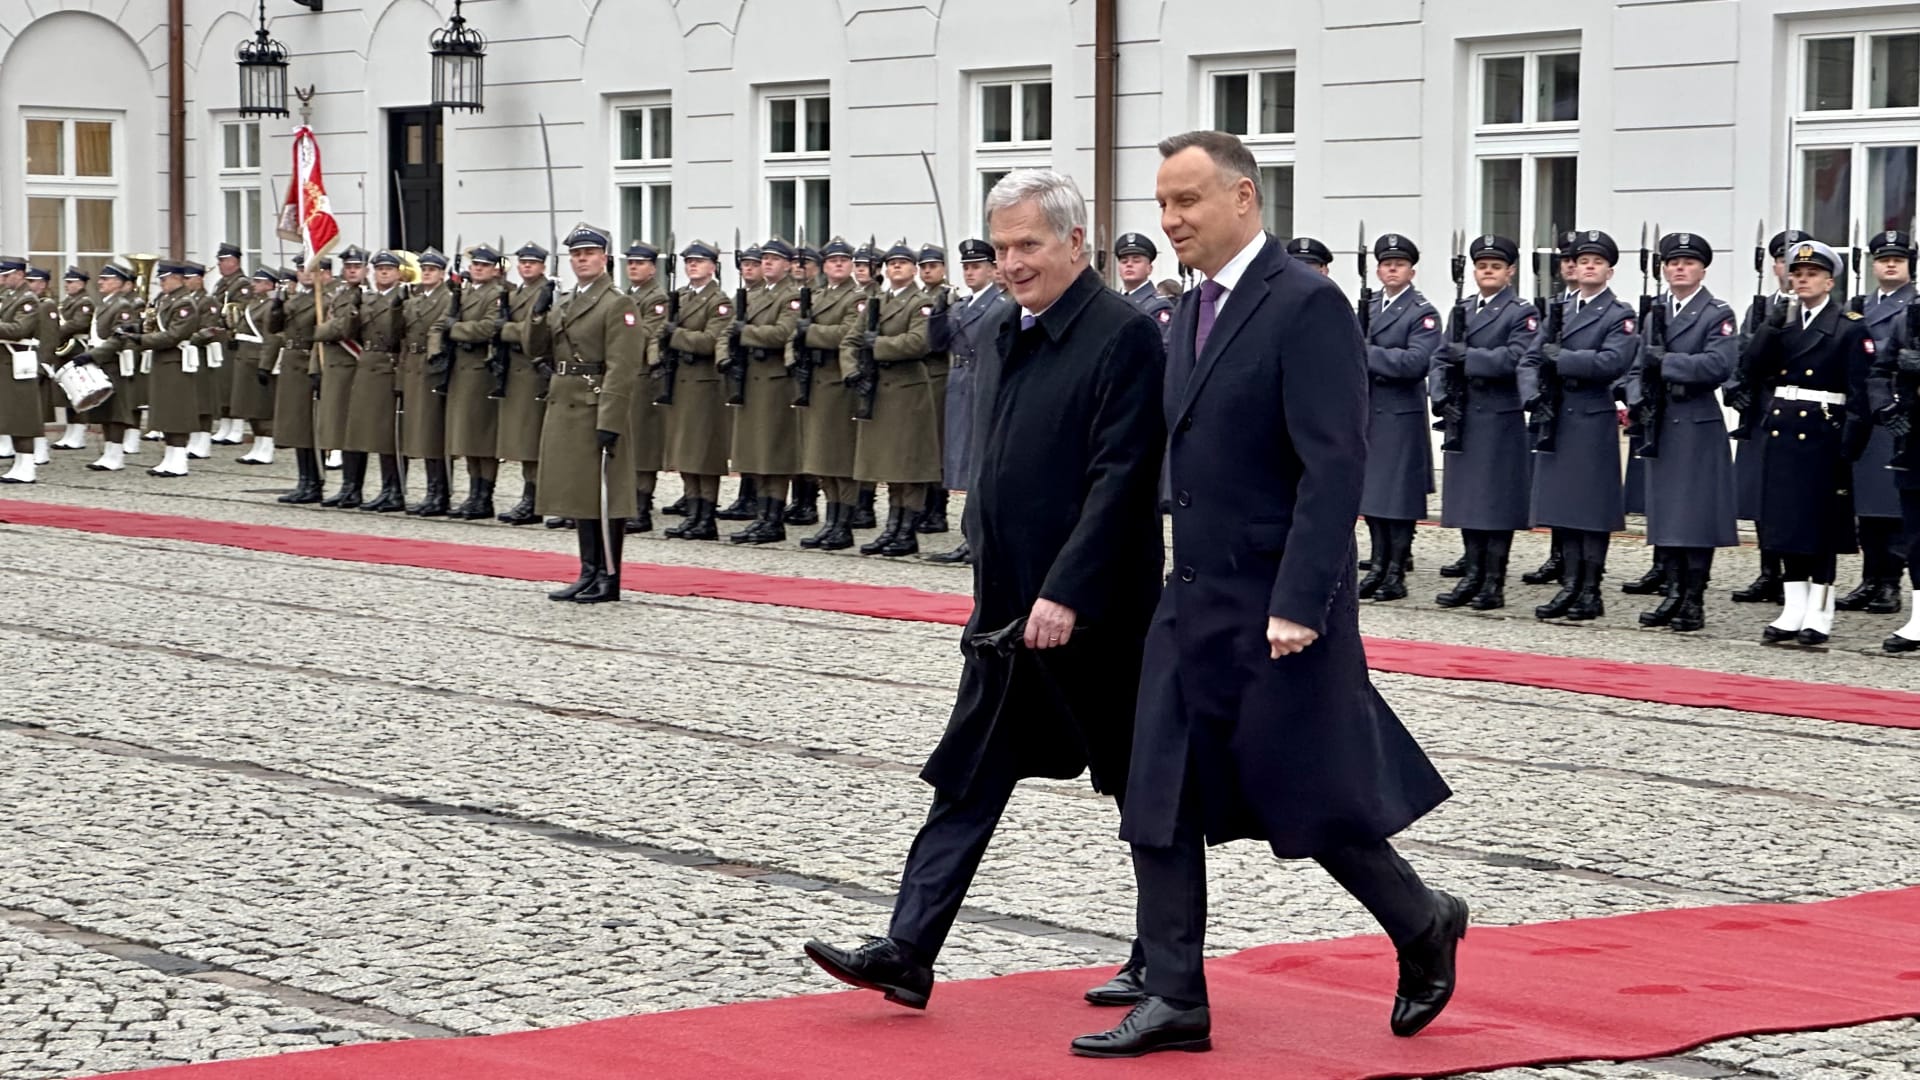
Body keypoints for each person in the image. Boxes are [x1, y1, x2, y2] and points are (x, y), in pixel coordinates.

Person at [1075, 131, 1461, 1060]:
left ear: (1244, 198)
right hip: (1192, 594)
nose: (1170, 222)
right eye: (1162, 205)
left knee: (1311, 794)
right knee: (1157, 791)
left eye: (1187, 203)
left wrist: (1301, 600)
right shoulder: (1188, 308)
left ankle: (1421, 922)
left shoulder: (1307, 304)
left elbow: (1336, 467)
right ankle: (1175, 995)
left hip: (1278, 602)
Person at [803, 167, 1165, 1016]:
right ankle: (909, 949)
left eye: (1028, 244)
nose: (1012, 263)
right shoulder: (1006, 324)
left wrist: (1069, 590)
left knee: (1141, 787)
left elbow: (1123, 479)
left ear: (1077, 242)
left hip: (1094, 615)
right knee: (968, 774)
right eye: (1001, 247)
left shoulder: (1124, 335)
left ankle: (1163, 957)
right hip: (1006, 611)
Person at [1744, 239, 1875, 646]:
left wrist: (1849, 448)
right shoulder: (1784, 323)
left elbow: (1861, 395)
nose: (1802, 280)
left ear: (1829, 280)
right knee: (1785, 525)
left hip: (1822, 432)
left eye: (1811, 274)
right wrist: (1771, 324)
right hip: (1784, 430)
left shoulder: (1849, 326)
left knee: (1819, 528)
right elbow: (1751, 366)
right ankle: (1792, 606)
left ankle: (1819, 611)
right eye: (1796, 274)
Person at [1519, 230, 1638, 621]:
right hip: (1557, 414)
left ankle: (1590, 589)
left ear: (1609, 270)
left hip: (1589, 415)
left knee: (1590, 509)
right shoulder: (1560, 310)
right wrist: (1532, 394)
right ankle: (1569, 585)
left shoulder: (1619, 315)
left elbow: (1611, 363)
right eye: (1583, 260)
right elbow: (1530, 360)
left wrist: (1564, 360)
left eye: (1597, 261)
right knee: (1564, 508)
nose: (1588, 266)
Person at [1623, 231, 1738, 632]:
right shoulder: (1656, 314)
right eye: (1673, 263)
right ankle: (1671, 591)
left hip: (1695, 421)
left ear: (1703, 268)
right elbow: (1636, 367)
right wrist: (1637, 397)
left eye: (1688, 263)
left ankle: (1693, 598)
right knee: (1666, 512)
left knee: (1696, 515)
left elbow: (1717, 366)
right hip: (1661, 420)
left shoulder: (1717, 313)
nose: (1679, 268)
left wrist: (1668, 362)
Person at [529, 223, 641, 604]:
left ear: (604, 258)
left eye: (589, 253)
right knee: (580, 495)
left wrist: (610, 420)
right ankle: (587, 571)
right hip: (565, 403)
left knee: (605, 495)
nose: (582, 259)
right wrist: (537, 312)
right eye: (576, 254)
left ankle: (609, 578)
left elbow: (622, 366)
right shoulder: (564, 300)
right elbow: (537, 348)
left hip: (596, 404)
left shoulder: (617, 303)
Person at [1432, 234, 1534, 611]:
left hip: (1498, 415)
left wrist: (1470, 357)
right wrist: (1440, 392)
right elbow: (1441, 356)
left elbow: (1517, 357)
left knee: (1495, 502)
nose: (1486, 272)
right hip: (1465, 415)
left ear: (1510, 271)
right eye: (1481, 266)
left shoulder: (1520, 311)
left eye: (1495, 266)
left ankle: (1493, 581)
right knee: (1468, 503)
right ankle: (1472, 575)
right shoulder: (1463, 309)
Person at [846, 242, 944, 557]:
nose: (895, 268)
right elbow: (850, 339)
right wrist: (852, 369)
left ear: (914, 269)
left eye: (902, 263)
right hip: (879, 392)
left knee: (909, 465)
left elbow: (919, 342)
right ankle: (892, 527)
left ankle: (906, 530)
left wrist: (878, 346)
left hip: (908, 391)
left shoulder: (922, 303)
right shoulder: (876, 302)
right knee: (889, 465)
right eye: (891, 264)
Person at [1357, 233, 1440, 603]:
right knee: (1373, 496)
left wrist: (1368, 353)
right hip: (1369, 410)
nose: (1392, 269)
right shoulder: (1369, 306)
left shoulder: (1421, 312)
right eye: (1386, 264)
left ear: (1411, 271)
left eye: (1399, 264)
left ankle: (1395, 569)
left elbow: (1415, 362)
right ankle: (1377, 563)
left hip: (1400, 412)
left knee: (1398, 498)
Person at [1837, 230, 1915, 616]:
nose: (1889, 264)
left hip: (1898, 408)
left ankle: (1890, 583)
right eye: (1883, 259)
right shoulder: (1859, 305)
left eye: (1897, 260)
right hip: (1863, 408)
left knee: (1893, 504)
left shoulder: (1914, 306)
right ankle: (1869, 578)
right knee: (1866, 504)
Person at [1731, 229, 1808, 605]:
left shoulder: (1818, 307)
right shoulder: (1759, 307)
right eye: (1782, 261)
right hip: (1761, 410)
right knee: (1761, 495)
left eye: (1796, 263)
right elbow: (1742, 352)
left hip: (1797, 410)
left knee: (1792, 496)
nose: (1787, 268)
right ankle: (1768, 572)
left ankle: (1797, 575)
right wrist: (1739, 385)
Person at [925, 238, 1014, 565]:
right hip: (961, 385)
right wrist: (938, 312)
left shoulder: (1001, 304)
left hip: (984, 384)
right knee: (964, 466)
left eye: (977, 266)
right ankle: (969, 536)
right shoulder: (961, 305)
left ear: (993, 270)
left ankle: (979, 539)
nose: (970, 272)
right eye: (966, 267)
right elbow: (936, 343)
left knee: (981, 465)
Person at [720, 237, 803, 544]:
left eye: (774, 259)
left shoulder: (791, 296)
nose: (767, 263)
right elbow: (729, 328)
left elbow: (783, 333)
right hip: (751, 380)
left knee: (774, 454)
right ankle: (761, 515)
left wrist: (747, 334)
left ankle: (774, 518)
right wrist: (726, 354)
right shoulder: (754, 295)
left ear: (787, 265)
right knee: (756, 453)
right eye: (764, 259)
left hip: (774, 381)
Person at [793, 237, 865, 550]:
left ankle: (843, 523)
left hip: (839, 382)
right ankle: (831, 519)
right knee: (822, 459)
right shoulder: (818, 295)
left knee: (840, 458)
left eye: (843, 260)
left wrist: (810, 333)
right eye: (832, 260)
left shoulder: (857, 298)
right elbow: (796, 332)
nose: (838, 264)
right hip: (817, 382)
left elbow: (847, 334)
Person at [659, 240, 731, 540]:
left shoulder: (720, 301)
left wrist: (676, 336)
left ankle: (706, 516)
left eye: (699, 261)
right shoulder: (681, 298)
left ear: (713, 266)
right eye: (689, 261)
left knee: (705, 454)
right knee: (686, 453)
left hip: (705, 385)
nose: (692, 266)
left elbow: (710, 340)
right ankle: (692, 511)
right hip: (681, 382)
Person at [1868, 270, 1920, 651]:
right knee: (1916, 532)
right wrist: (1887, 407)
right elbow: (1879, 372)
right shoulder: (1910, 317)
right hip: (1914, 440)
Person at [445, 245, 507, 519]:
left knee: (482, 438)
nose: (478, 269)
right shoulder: (466, 293)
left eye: (483, 265)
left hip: (482, 372)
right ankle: (473, 493)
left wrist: (455, 330)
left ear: (495, 269)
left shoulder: (496, 294)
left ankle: (485, 496)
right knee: (468, 437)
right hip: (463, 371)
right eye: (475, 265)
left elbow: (489, 327)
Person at [496, 242, 553, 525]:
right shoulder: (515, 293)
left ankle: (534, 499)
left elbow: (535, 330)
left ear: (543, 266)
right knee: (521, 441)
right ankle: (529, 496)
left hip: (533, 372)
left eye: (532, 262)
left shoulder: (546, 292)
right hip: (515, 372)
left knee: (531, 442)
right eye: (523, 262)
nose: (527, 266)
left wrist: (505, 330)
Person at [401, 249, 454, 517]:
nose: (427, 273)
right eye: (425, 269)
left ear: (443, 273)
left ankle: (440, 493)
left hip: (433, 368)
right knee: (420, 432)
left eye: (433, 269)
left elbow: (443, 329)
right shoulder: (415, 299)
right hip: (413, 368)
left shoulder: (448, 299)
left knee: (434, 433)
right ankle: (431, 490)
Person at [623, 241, 670, 533]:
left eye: (639, 263)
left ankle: (641, 507)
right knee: (626, 444)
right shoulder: (626, 295)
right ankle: (628, 502)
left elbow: (647, 332)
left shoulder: (656, 297)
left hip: (642, 375)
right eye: (630, 263)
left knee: (642, 446)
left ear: (653, 267)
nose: (634, 267)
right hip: (625, 376)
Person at [273, 257, 324, 503]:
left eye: (309, 268)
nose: (304, 273)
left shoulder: (323, 298)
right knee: (296, 426)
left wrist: (318, 368)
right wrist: (276, 305)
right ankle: (304, 479)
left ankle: (315, 481)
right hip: (292, 363)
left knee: (310, 427)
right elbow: (274, 328)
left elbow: (321, 336)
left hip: (307, 362)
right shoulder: (296, 298)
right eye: (301, 269)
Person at [229, 266, 281, 466]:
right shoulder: (253, 304)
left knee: (262, 406)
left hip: (257, 358)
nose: (254, 285)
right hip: (245, 357)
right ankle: (258, 445)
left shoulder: (270, 306)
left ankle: (266, 447)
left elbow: (272, 337)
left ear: (269, 285)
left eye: (258, 282)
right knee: (249, 406)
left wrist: (266, 365)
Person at [1115, 232, 1174, 334]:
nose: (1129, 265)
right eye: (1124, 261)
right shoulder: (1113, 301)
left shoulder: (1159, 306)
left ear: (1149, 268)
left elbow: (1162, 345)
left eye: (1136, 261)